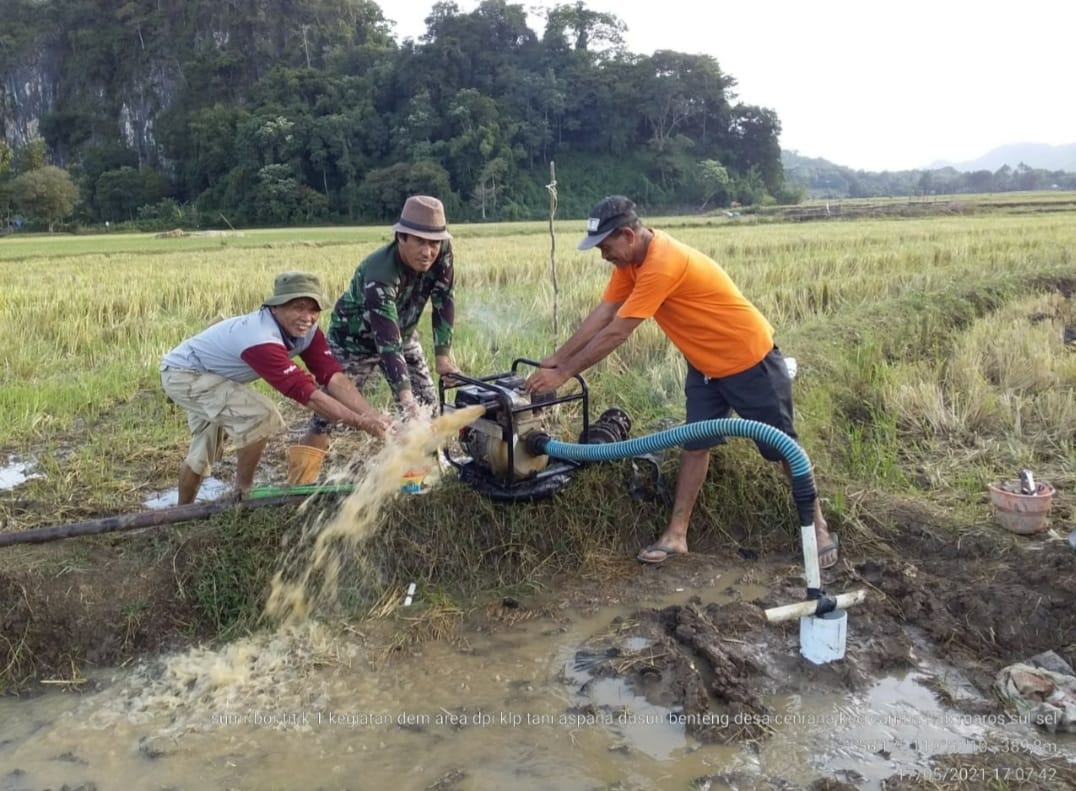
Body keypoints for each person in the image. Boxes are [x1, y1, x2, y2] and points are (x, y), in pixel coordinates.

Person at [523, 196, 837, 568]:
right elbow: (604, 313)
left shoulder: (662, 263)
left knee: (782, 447)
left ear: (627, 234)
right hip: (704, 365)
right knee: (695, 444)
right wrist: (557, 359)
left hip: (748, 359)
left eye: (606, 247)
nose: (604, 255)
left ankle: (818, 527)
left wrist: (566, 373)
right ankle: (677, 535)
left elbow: (619, 332)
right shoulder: (631, 262)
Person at [160, 271, 392, 504]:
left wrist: (372, 416)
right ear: (275, 307)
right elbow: (308, 396)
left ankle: (183, 512)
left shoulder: (308, 332)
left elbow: (333, 376)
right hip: (185, 375)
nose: (307, 317)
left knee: (202, 452)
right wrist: (361, 423)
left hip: (213, 376)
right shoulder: (261, 338)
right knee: (261, 416)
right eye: (298, 307)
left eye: (314, 310)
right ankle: (242, 492)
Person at [297, 195, 461, 456]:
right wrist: (404, 397)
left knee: (427, 405)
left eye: (434, 243)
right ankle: (300, 478)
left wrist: (443, 357)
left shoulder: (443, 254)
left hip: (403, 334)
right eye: (420, 242)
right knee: (326, 416)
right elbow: (387, 344)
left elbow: (444, 300)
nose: (428, 251)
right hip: (354, 342)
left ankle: (427, 470)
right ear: (401, 237)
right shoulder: (380, 275)